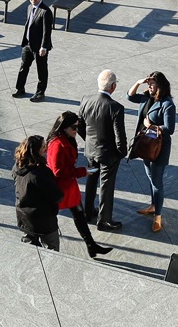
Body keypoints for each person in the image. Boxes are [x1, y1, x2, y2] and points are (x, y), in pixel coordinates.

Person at [46, 112, 114, 259]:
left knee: (79, 215)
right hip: (59, 188)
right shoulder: (57, 144)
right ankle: (40, 243)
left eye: (78, 127)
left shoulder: (68, 138)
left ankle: (91, 245)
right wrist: (82, 171)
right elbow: (57, 171)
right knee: (50, 216)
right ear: (63, 127)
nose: (76, 130)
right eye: (74, 127)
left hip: (68, 186)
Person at [77, 70, 127, 233]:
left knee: (91, 180)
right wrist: (121, 152)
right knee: (106, 184)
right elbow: (120, 136)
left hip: (91, 151)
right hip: (108, 154)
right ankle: (104, 220)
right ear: (113, 86)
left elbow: (80, 126)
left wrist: (89, 141)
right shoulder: (116, 108)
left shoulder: (86, 100)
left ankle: (88, 211)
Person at [127, 72, 176, 234]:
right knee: (150, 177)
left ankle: (158, 216)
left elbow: (170, 129)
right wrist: (138, 82)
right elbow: (130, 96)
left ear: (160, 86)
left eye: (152, 84)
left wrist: (151, 126)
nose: (149, 86)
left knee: (157, 182)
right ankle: (153, 205)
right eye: (149, 84)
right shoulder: (146, 97)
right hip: (146, 144)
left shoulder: (167, 104)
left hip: (158, 147)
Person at [12, 135, 63, 251]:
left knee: (29, 250)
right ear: (36, 151)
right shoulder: (41, 173)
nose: (46, 149)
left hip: (24, 217)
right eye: (44, 146)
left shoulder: (17, 167)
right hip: (44, 220)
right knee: (52, 249)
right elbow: (56, 195)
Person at [12, 0, 52, 101]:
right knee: (23, 67)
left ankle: (40, 93)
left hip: (39, 47)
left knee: (41, 70)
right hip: (28, 45)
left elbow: (47, 31)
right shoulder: (30, 7)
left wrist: (44, 46)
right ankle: (20, 89)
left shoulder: (45, 11)